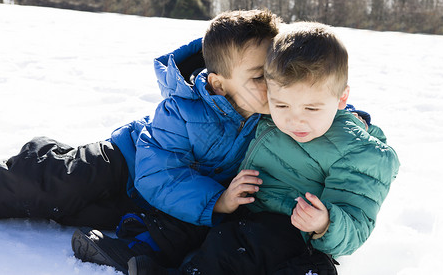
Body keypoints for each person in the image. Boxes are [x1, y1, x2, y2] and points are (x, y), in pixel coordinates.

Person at [159, 21, 399, 275]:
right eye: (282, 105)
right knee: (189, 225)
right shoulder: (266, 116)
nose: (295, 119)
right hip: (240, 215)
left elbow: (356, 223)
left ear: (342, 98)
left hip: (291, 237)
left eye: (311, 109)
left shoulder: (360, 153)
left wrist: (325, 223)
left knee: (245, 247)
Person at [66, 9, 283, 273]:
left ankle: (135, 248)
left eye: (278, 71)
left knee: (85, 212)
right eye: (259, 76)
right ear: (219, 85)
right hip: (127, 160)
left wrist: (336, 112)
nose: (275, 84)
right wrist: (218, 200)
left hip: (170, 199)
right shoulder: (182, 109)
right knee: (59, 182)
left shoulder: (276, 114)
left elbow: (316, 102)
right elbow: (158, 172)